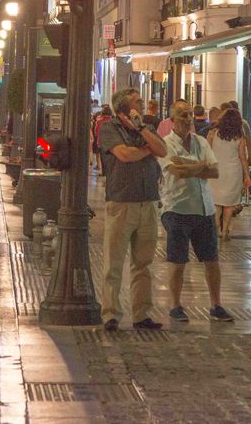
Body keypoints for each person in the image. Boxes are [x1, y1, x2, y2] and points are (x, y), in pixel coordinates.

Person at [98, 88, 168, 332]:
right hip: (122, 202)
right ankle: (110, 314)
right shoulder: (109, 128)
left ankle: (141, 313)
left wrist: (141, 130)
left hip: (148, 201)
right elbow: (124, 155)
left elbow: (163, 150)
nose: (141, 102)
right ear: (124, 108)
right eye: (137, 101)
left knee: (143, 262)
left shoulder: (145, 127)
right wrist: (147, 150)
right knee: (113, 262)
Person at [158, 99, 234, 323]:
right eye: (183, 115)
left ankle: (216, 304)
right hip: (177, 208)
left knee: (212, 260)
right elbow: (175, 171)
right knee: (177, 260)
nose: (188, 119)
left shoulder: (201, 141)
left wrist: (190, 165)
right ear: (172, 120)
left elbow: (214, 172)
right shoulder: (165, 144)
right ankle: (175, 305)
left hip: (204, 208)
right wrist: (200, 166)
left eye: (190, 114)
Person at [207, 109, 251, 240]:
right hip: (233, 173)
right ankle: (225, 230)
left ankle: (215, 227)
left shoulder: (212, 133)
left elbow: (206, 152)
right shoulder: (239, 138)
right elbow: (243, 158)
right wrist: (247, 175)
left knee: (216, 202)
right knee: (229, 204)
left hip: (215, 171)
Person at [92, 105, 113, 174]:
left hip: (101, 142)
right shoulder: (113, 121)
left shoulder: (99, 121)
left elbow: (96, 132)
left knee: (103, 157)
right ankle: (110, 171)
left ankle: (104, 172)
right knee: (110, 158)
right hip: (112, 142)